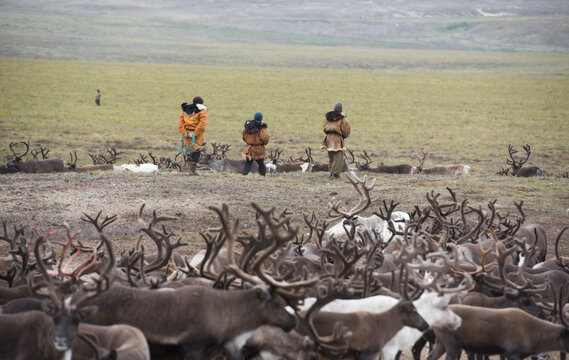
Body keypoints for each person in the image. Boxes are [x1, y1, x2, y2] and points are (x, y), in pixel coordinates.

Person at [178, 96, 208, 175]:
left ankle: (191, 169)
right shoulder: (202, 111)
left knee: (190, 151)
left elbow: (181, 122)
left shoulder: (184, 109)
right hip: (196, 136)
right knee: (196, 152)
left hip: (186, 135)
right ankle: (192, 170)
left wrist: (184, 133)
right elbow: (202, 124)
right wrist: (194, 134)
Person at [321, 102, 350, 178]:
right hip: (337, 138)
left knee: (331, 156)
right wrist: (343, 137)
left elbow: (324, 128)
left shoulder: (327, 118)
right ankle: (335, 173)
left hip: (328, 138)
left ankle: (331, 172)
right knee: (339, 157)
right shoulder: (342, 119)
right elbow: (346, 130)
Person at [242, 112, 269, 176]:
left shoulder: (248, 126)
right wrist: (262, 143)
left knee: (248, 163)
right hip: (259, 149)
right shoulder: (262, 128)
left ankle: (244, 175)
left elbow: (244, 136)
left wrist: (249, 142)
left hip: (250, 148)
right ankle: (263, 176)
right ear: (261, 118)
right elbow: (265, 139)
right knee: (261, 164)